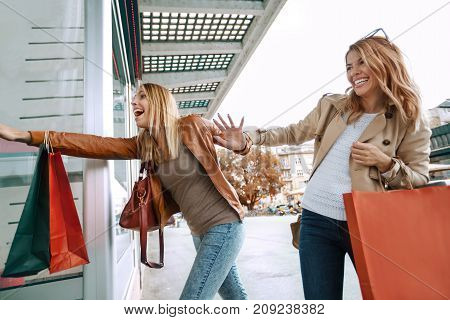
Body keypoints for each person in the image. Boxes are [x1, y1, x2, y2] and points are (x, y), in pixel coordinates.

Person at [213, 30, 431, 300]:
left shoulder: (409, 119)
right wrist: (247, 139)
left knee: (384, 300)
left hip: (367, 224)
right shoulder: (333, 106)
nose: (354, 73)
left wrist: (386, 163)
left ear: (384, 62)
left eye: (361, 62)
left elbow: (419, 178)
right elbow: (292, 133)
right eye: (349, 66)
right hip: (315, 220)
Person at [0, 83, 248, 300]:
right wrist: (25, 136)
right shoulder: (145, 145)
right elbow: (96, 144)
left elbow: (235, 141)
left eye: (141, 96)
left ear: (159, 102)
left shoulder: (192, 126)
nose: (133, 102)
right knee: (235, 298)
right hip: (200, 233)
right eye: (134, 98)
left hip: (225, 224)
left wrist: (243, 145)